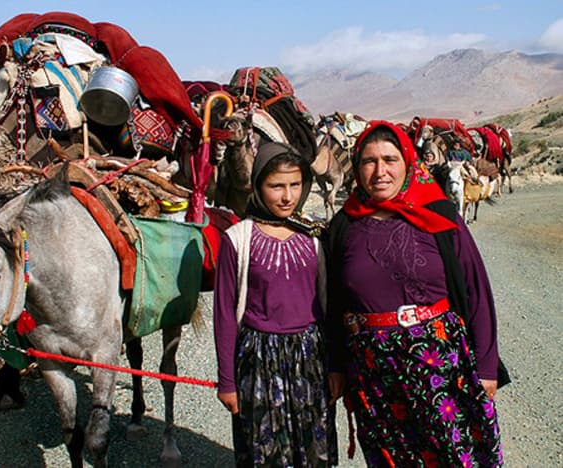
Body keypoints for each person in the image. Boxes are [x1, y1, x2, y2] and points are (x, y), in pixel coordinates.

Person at [326, 121, 503, 467]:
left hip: (440, 362)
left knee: (455, 456)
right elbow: (332, 303)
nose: (380, 171)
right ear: (357, 168)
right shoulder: (343, 226)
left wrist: (486, 365)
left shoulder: (439, 215)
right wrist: (335, 364)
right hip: (373, 372)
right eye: (369, 161)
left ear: (407, 162)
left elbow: (476, 288)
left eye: (390, 160)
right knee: (392, 459)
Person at [213, 141, 342, 467]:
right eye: (276, 186)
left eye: (295, 184)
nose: (287, 196)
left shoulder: (315, 235)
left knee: (313, 447)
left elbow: (332, 305)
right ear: (258, 186)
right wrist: (227, 381)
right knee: (265, 450)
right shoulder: (237, 238)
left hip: (310, 355)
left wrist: (336, 365)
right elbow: (225, 313)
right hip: (259, 358)